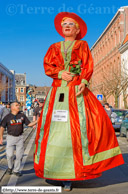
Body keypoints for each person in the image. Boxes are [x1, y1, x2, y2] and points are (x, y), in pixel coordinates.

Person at [34, 12, 124, 191]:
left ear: (77, 30)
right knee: (52, 129)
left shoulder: (82, 45)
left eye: (70, 24)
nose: (66, 26)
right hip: (58, 90)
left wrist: (83, 81)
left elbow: (88, 65)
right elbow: (48, 65)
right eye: (64, 24)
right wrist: (59, 73)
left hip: (76, 89)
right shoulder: (53, 47)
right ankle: (54, 169)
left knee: (83, 126)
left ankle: (76, 170)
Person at [0, 101, 38, 176]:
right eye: (17, 105)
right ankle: (10, 167)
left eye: (18, 105)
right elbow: (2, 127)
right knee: (10, 155)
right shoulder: (7, 117)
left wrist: (37, 121)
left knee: (19, 155)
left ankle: (16, 170)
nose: (18, 106)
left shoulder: (22, 115)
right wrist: (1, 137)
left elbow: (29, 124)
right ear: (12, 107)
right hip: (10, 138)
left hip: (20, 138)